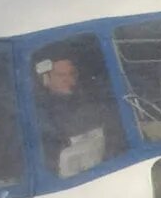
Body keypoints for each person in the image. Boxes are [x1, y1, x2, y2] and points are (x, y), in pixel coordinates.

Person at [32, 44, 114, 178]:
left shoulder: (92, 103)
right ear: (46, 79)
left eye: (71, 74)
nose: (67, 79)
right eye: (60, 75)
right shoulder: (39, 112)